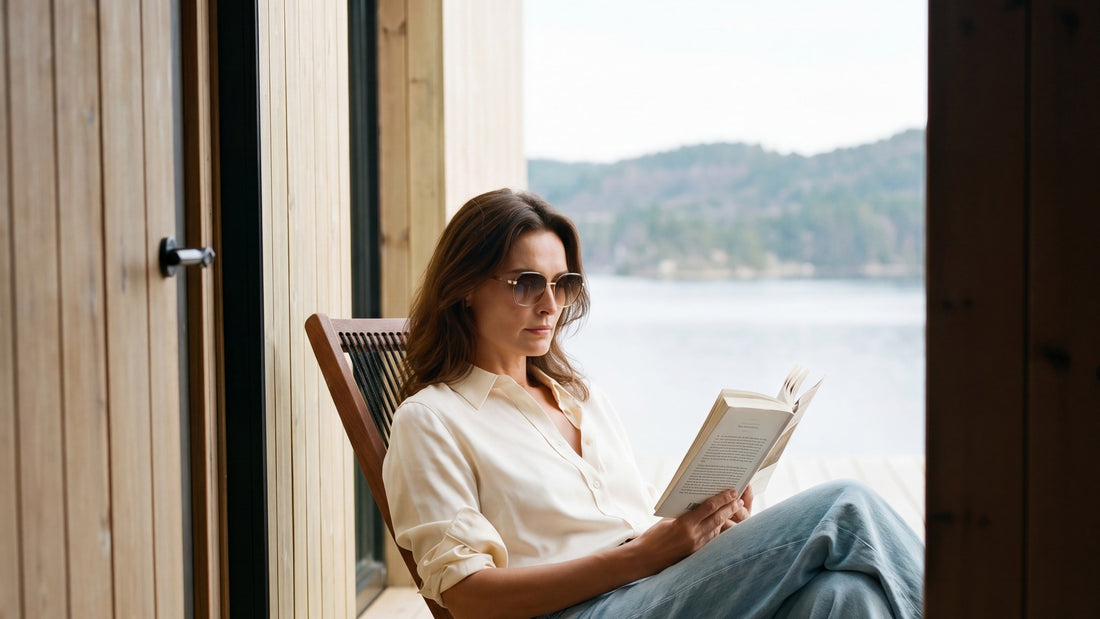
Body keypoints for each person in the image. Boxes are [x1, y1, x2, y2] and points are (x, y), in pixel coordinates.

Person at [382, 188, 924, 618]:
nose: (550, 305)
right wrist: (643, 557)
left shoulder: (580, 398)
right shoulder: (433, 420)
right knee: (845, 506)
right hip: (585, 608)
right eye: (526, 283)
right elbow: (469, 598)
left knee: (845, 598)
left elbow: (637, 522)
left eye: (562, 284)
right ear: (465, 288)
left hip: (656, 588)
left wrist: (709, 527)